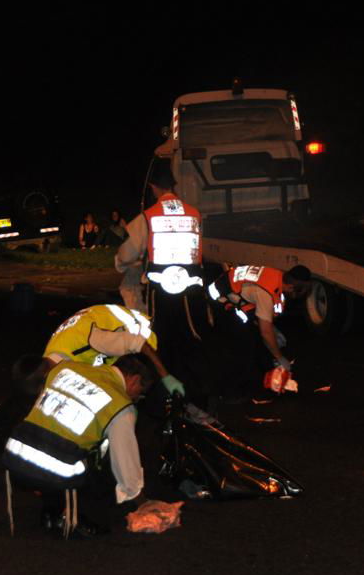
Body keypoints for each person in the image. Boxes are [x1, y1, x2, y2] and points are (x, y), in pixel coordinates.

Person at [4, 355, 155, 538]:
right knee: (95, 460)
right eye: (141, 392)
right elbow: (125, 464)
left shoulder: (66, 368)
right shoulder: (120, 406)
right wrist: (142, 502)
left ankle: (51, 512)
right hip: (52, 469)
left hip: (15, 455)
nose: (138, 397)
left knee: (59, 443)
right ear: (135, 379)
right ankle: (71, 517)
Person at [115, 169, 208, 402]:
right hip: (192, 289)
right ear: (173, 186)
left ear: (154, 188)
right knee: (191, 338)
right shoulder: (194, 214)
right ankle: (197, 398)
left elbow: (127, 254)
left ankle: (164, 398)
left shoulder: (148, 216)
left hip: (162, 292)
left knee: (160, 341)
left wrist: (124, 261)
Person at [207, 264, 312, 403]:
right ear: (291, 287)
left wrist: (271, 330)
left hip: (232, 294)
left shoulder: (276, 276)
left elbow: (263, 320)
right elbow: (265, 332)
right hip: (220, 301)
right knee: (244, 345)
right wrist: (279, 357)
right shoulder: (265, 293)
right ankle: (230, 392)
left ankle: (253, 383)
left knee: (255, 340)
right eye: (296, 294)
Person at [43, 303, 185, 398]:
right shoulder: (52, 355)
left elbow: (138, 343)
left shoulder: (89, 341)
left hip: (148, 338)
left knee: (165, 395)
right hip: (120, 343)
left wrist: (165, 376)